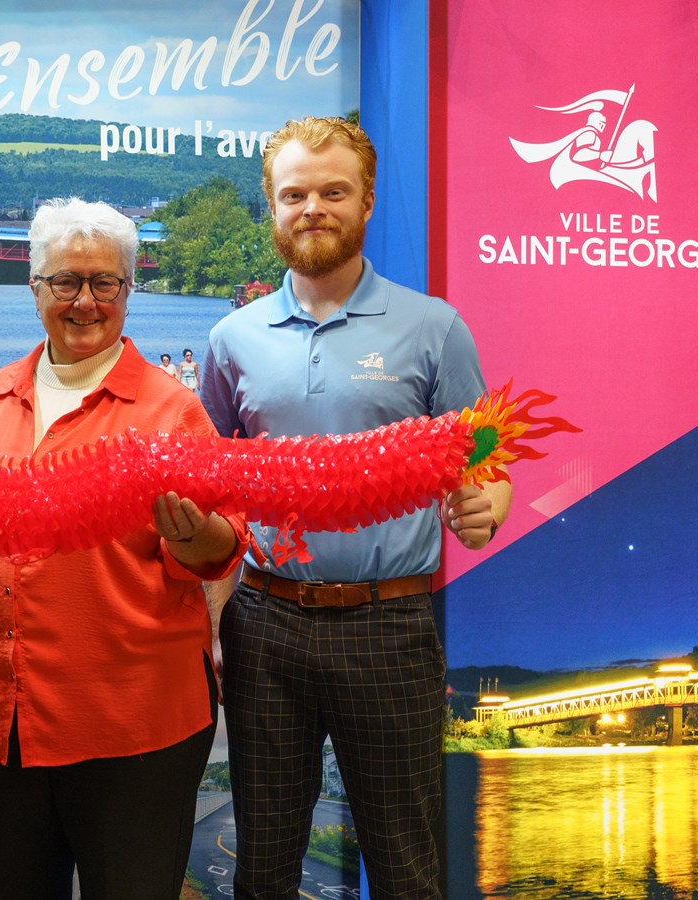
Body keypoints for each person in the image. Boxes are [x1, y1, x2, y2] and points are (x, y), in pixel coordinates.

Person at [0, 198, 247, 899]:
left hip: (132, 729)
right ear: (34, 290)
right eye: (65, 282)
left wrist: (191, 534)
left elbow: (221, 549)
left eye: (105, 283)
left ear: (127, 291)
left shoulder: (171, 410)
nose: (84, 301)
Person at [198, 116, 512, 900]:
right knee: (262, 860)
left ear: (366, 201)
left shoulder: (433, 327)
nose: (312, 208)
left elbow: (485, 454)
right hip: (263, 622)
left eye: (332, 191)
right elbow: (208, 479)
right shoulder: (231, 338)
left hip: (388, 622)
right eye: (293, 194)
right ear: (270, 208)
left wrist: (492, 496)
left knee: (404, 861)